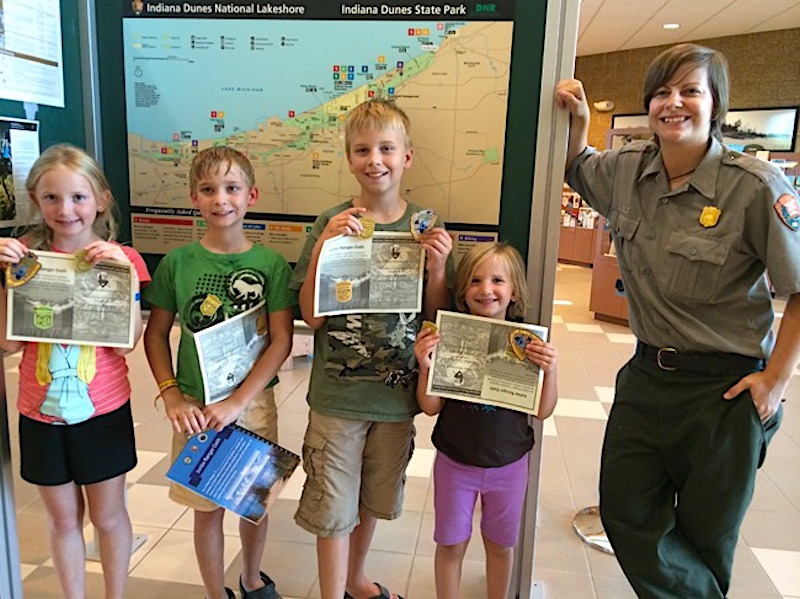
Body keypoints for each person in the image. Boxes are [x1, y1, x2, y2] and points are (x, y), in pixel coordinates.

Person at [555, 43, 800, 598]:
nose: (673, 103)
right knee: (626, 512)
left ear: (716, 105)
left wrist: (775, 381)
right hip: (646, 379)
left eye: (691, 91)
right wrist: (582, 123)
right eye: (662, 92)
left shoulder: (755, 185)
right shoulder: (627, 170)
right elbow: (576, 166)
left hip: (724, 392)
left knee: (707, 534)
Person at [291, 98, 453, 599]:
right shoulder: (332, 221)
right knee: (332, 505)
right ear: (349, 158)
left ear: (407, 157)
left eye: (386, 148)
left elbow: (435, 318)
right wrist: (324, 248)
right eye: (362, 150)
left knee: (372, 498)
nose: (374, 160)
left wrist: (439, 268)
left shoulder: (425, 224)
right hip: (338, 397)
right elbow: (311, 316)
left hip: (396, 397)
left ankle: (355, 578)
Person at [144, 146, 295, 599]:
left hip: (252, 403)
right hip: (196, 407)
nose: (220, 199)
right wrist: (171, 394)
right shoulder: (177, 264)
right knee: (205, 509)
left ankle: (251, 579)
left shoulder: (271, 265)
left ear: (251, 195)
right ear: (194, 198)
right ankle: (215, 592)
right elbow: (155, 335)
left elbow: (281, 341)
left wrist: (238, 402)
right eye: (208, 190)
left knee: (253, 503)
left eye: (231, 188)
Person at [0, 144, 150, 599]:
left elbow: (126, 344)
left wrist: (123, 279)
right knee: (64, 520)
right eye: (52, 198)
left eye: (78, 197)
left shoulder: (123, 258)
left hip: (103, 412)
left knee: (108, 516)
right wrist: (4, 280)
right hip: (40, 414)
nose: (66, 210)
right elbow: (8, 343)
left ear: (101, 200)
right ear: (35, 199)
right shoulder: (24, 259)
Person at [414, 242, 559, 599]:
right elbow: (430, 407)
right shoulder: (448, 337)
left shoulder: (528, 344)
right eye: (475, 280)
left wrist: (550, 370)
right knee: (450, 544)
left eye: (497, 280)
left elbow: (542, 411)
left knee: (499, 544)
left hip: (508, 465)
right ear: (463, 291)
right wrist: (426, 367)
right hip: (455, 462)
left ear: (514, 291)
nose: (486, 289)